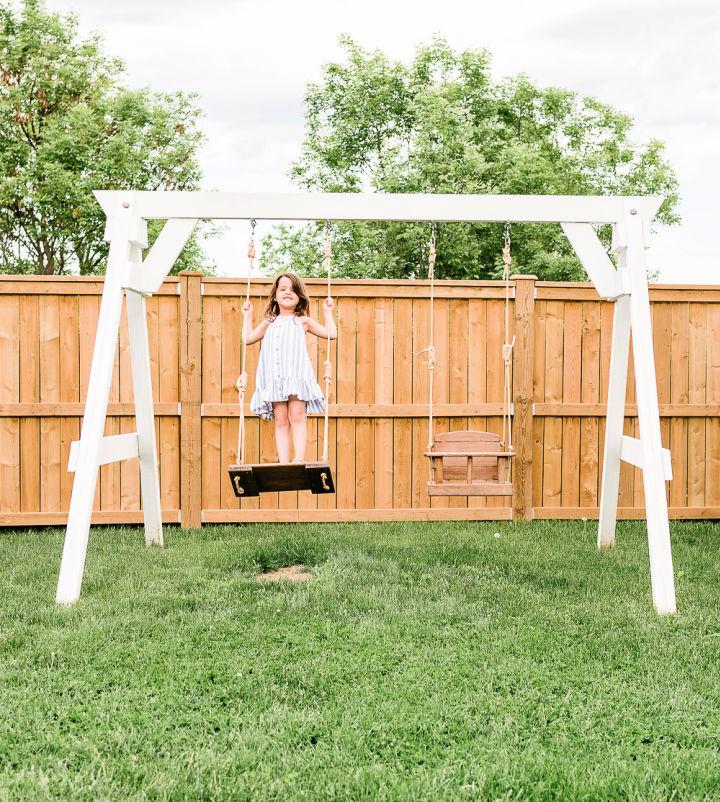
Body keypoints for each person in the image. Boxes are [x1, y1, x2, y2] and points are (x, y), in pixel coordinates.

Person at [242, 272, 336, 463]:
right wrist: (247, 316)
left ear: (299, 296)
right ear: (275, 295)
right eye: (283, 289)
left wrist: (328, 312)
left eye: (292, 290)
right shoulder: (270, 322)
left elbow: (331, 334)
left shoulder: (303, 320)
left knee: (297, 415)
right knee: (281, 420)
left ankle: (298, 459)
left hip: (296, 376)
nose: (287, 292)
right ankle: (284, 463)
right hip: (275, 378)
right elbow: (247, 339)